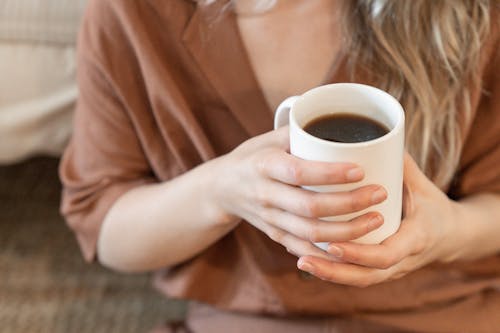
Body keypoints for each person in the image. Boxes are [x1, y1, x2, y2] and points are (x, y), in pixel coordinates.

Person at [60, 0, 500, 332]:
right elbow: (105, 225)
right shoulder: (133, 15)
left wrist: (449, 231)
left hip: (442, 312)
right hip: (253, 317)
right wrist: (220, 191)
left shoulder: (463, 13)